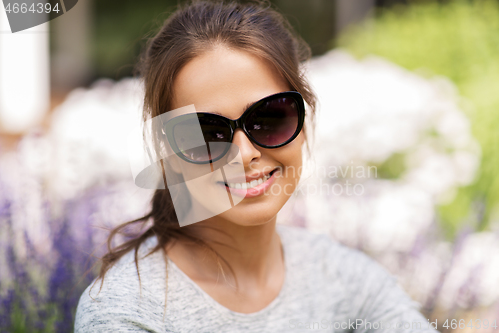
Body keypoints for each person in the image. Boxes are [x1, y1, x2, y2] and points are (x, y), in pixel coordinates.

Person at [74, 1, 439, 332]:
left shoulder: (348, 280)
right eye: (207, 134)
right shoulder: (126, 313)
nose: (244, 153)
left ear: (304, 121)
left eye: (269, 117)